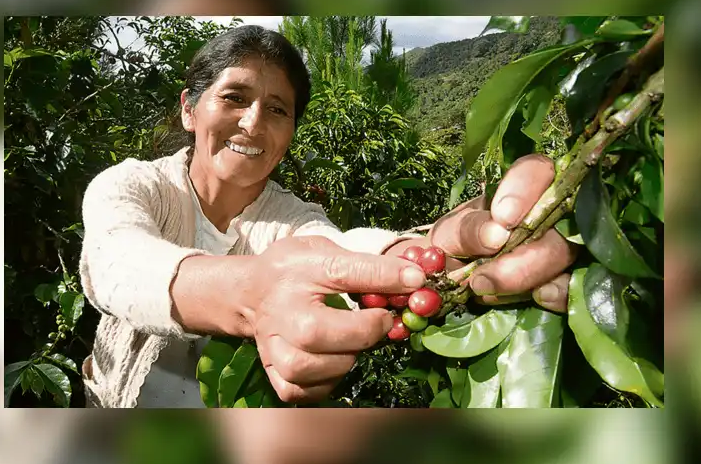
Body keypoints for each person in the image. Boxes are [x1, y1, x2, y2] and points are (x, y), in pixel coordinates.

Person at [78, 24, 576, 408]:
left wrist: (423, 253)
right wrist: (252, 293)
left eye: (277, 109)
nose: (253, 123)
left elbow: (337, 251)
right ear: (190, 108)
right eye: (234, 98)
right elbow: (117, 261)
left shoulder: (290, 217)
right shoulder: (136, 186)